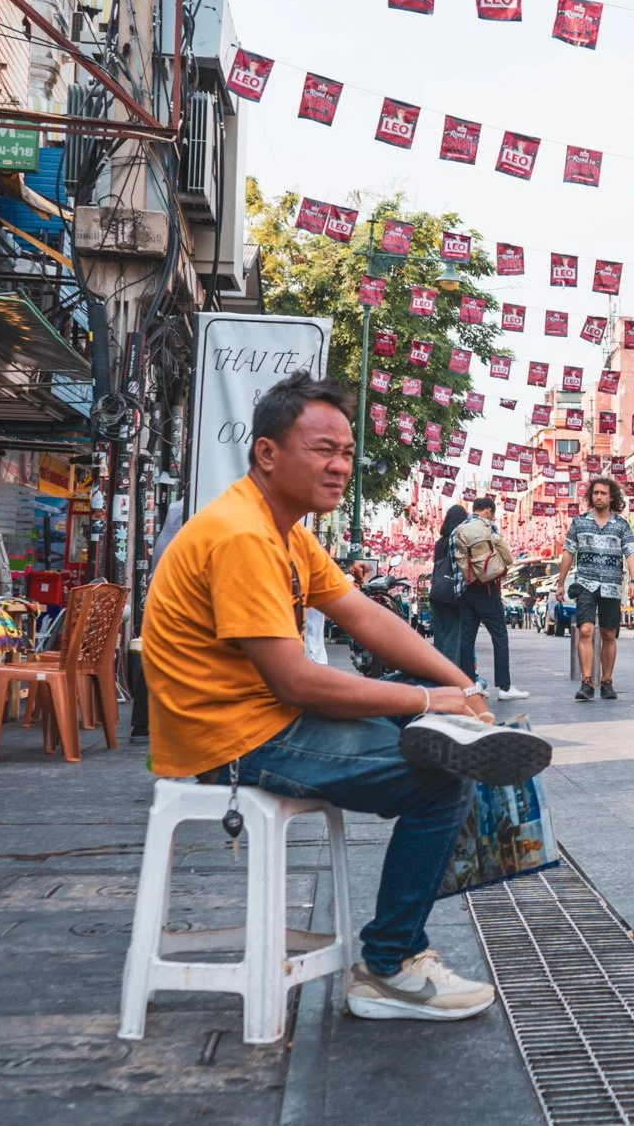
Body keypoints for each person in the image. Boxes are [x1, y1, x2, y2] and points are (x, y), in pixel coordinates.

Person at [142, 372, 550, 1021]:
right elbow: (297, 682)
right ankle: (389, 965)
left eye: (346, 452)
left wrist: (460, 685)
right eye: (323, 449)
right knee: (441, 783)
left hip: (270, 718)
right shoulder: (243, 535)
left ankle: (438, 740)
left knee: (430, 715)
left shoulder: (284, 529)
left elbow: (365, 616)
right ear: (267, 453)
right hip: (238, 741)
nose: (340, 466)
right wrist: (429, 703)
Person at [558, 477, 634, 701]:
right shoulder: (579, 523)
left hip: (612, 585)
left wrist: (633, 581)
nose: (599, 497)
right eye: (595, 493)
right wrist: (560, 583)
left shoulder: (621, 525)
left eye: (603, 493)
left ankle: (607, 681)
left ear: (611, 497)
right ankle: (586, 682)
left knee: (609, 634)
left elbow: (631, 552)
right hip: (585, 583)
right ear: (590, 496)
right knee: (585, 630)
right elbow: (568, 552)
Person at [452, 497, 523, 700]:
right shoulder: (487, 526)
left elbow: (454, 562)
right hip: (487, 589)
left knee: (467, 640)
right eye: (492, 514)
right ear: (488, 511)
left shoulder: (457, 530)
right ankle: (504, 687)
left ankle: (470, 686)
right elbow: (504, 555)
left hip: (465, 590)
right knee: (499, 636)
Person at [428, 506, 471, 683]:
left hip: (437, 593)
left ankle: (438, 676)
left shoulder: (440, 543)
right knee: (454, 638)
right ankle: (451, 680)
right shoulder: (459, 540)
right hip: (452, 594)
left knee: (440, 637)